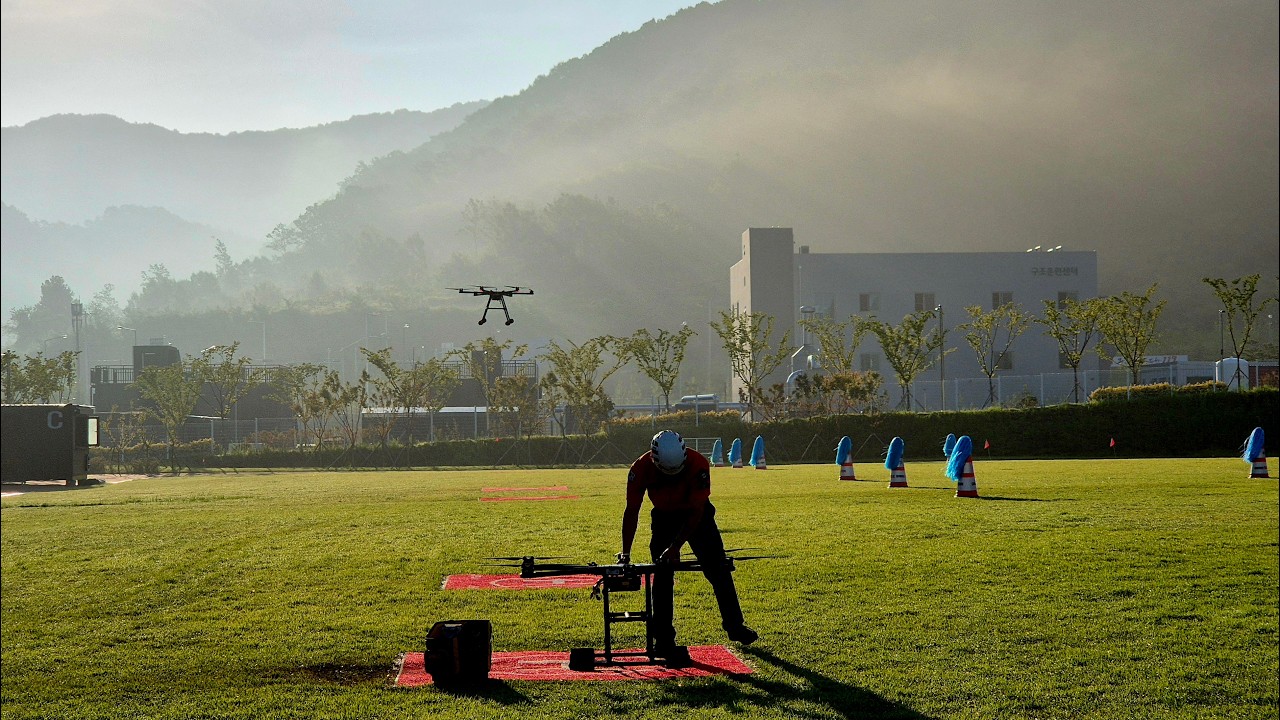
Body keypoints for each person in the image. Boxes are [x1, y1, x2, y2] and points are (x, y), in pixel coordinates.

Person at [620, 430, 758, 654]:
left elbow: (696, 511)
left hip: (698, 517)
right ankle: (663, 638)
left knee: (719, 569)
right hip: (663, 519)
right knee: (662, 576)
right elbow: (632, 510)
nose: (673, 476)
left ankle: (735, 626)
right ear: (654, 461)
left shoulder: (699, 464)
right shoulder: (639, 469)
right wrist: (625, 553)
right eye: (667, 472)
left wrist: (675, 547)